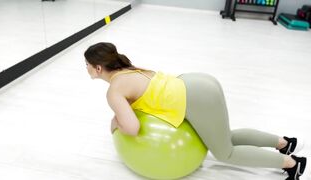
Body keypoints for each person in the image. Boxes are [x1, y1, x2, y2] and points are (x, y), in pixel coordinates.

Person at [84, 42, 307, 180]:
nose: (86, 69)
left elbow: (132, 128)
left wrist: (116, 121)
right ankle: (285, 143)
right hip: (195, 83)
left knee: (224, 153)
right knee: (224, 137)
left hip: (196, 98)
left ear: (98, 68)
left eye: (87, 65)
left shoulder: (114, 91)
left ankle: (293, 164)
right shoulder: (127, 69)